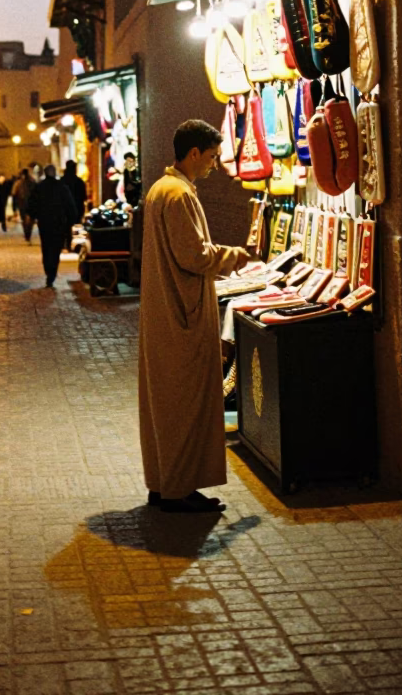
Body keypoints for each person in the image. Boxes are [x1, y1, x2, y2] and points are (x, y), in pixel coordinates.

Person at [138, 120, 248, 514]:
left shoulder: (161, 190)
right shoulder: (178, 194)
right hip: (180, 316)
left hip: (166, 313)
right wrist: (238, 255)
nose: (215, 165)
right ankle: (178, 489)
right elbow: (195, 256)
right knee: (184, 404)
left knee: (168, 405)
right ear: (194, 153)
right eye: (213, 157)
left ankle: (166, 483)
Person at [28, 165, 77, 287]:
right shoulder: (61, 187)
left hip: (44, 223)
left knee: (46, 247)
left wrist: (34, 216)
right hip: (58, 223)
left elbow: (31, 205)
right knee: (56, 248)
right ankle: (52, 273)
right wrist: (72, 219)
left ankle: (48, 270)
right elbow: (70, 204)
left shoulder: (39, 187)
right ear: (54, 173)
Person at [12, 167, 36, 243]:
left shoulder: (18, 183)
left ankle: (27, 234)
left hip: (22, 204)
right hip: (30, 204)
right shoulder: (33, 182)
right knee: (30, 221)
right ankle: (28, 234)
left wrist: (14, 207)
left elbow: (14, 195)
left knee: (24, 220)